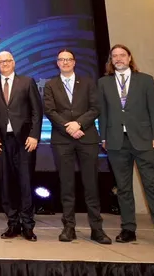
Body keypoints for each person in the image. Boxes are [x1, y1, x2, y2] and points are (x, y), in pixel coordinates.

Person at [98, 44, 154, 250]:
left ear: (130, 57)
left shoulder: (145, 80)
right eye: (114, 56)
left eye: (122, 55)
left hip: (144, 141)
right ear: (111, 60)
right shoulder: (104, 82)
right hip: (116, 141)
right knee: (123, 188)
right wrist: (103, 137)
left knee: (152, 186)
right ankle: (128, 229)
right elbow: (103, 112)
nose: (118, 59)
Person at [43, 49, 111, 244]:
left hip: (87, 138)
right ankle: (68, 227)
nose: (65, 62)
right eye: (61, 60)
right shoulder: (50, 85)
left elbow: (96, 108)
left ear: (74, 62)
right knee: (67, 185)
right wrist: (69, 127)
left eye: (68, 59)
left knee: (91, 184)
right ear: (57, 63)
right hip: (62, 140)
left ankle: (97, 229)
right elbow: (49, 110)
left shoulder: (88, 82)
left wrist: (79, 124)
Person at [0, 51, 42, 241]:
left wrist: (34, 135)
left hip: (25, 141)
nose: (4, 64)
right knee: (6, 183)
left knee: (25, 183)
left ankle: (28, 225)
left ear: (13, 62)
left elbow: (37, 111)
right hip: (0, 142)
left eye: (7, 61)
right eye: (0, 62)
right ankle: (13, 223)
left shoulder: (27, 82)